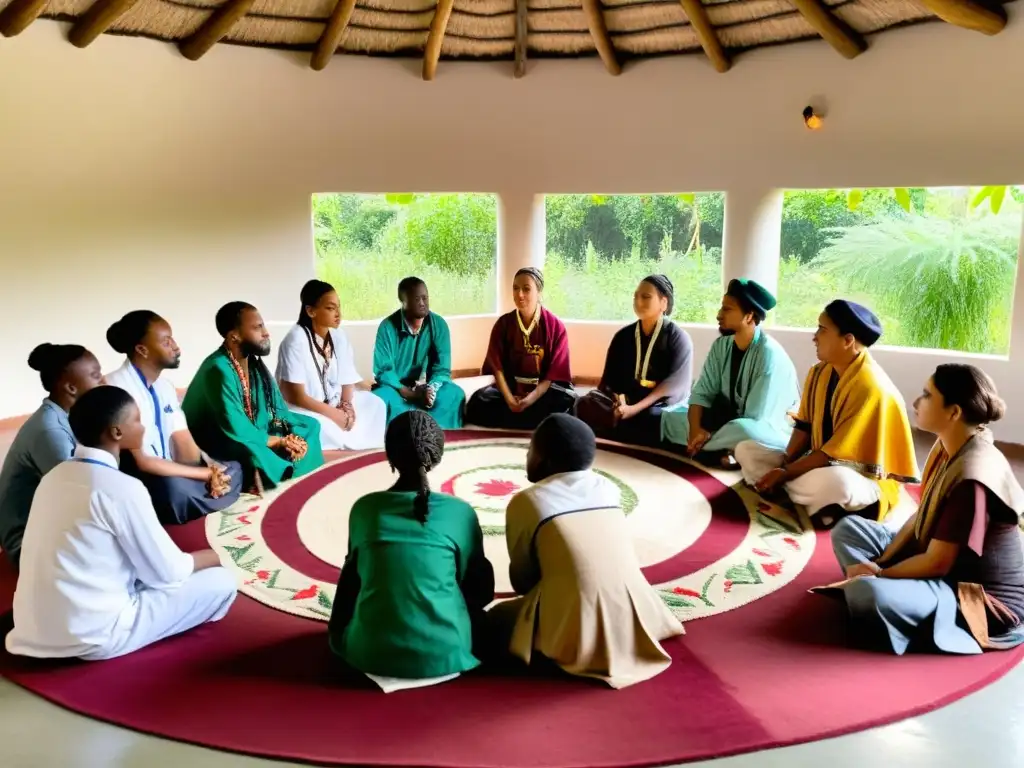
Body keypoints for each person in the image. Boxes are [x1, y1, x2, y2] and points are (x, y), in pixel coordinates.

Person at [5, 386, 237, 661]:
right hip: (97, 634)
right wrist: (213, 557)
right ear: (117, 432)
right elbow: (168, 573)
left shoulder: (53, 477)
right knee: (223, 582)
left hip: (32, 627)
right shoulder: (122, 487)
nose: (142, 427)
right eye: (137, 420)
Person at [828, 364, 1024, 655]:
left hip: (974, 597)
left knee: (864, 591)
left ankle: (888, 601)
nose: (916, 402)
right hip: (942, 563)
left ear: (953, 412)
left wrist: (879, 574)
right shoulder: (952, 447)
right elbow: (923, 521)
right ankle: (889, 595)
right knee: (848, 530)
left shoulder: (973, 475)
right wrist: (883, 568)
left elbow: (937, 563)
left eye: (926, 395)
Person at [489, 414, 684, 688]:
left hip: (575, 621)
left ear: (544, 457)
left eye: (531, 448)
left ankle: (561, 645)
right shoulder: (607, 487)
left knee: (496, 620)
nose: (527, 455)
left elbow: (522, 581)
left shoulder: (529, 501)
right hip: (632, 609)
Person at [328, 411, 494, 679]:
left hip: (367, 653)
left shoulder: (365, 509)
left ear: (389, 454)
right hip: (448, 653)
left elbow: (353, 582)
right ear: (437, 456)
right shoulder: (460, 512)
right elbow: (480, 590)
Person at [735, 300, 918, 527]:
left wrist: (784, 473)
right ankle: (810, 501)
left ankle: (791, 492)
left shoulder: (871, 387)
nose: (814, 337)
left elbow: (832, 455)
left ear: (848, 340)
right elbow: (804, 426)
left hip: (861, 479)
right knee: (746, 450)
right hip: (816, 463)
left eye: (822, 330)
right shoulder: (819, 372)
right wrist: (784, 463)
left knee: (836, 483)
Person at [104, 310, 243, 525]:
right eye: (166, 341)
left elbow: (182, 438)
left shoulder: (164, 387)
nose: (176, 347)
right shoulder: (115, 388)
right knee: (172, 490)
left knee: (233, 468)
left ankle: (204, 494)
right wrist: (203, 476)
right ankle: (198, 499)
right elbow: (142, 462)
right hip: (140, 477)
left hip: (169, 470)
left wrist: (211, 470)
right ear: (142, 350)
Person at [182, 301, 323, 494]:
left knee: (310, 426)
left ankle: (283, 464)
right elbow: (234, 426)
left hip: (254, 428)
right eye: (258, 327)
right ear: (235, 336)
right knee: (253, 453)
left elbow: (277, 409)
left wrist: (288, 435)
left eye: (263, 325)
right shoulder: (218, 369)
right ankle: (280, 467)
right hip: (221, 437)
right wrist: (278, 441)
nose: (266, 333)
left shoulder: (253, 363)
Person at [662, 279, 799, 464]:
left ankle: (707, 449)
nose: (719, 314)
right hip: (727, 423)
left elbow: (757, 419)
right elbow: (701, 394)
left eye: (727, 309)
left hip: (768, 429)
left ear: (749, 316)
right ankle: (718, 451)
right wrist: (695, 428)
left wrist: (708, 431)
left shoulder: (769, 355)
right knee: (672, 417)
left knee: (744, 431)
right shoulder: (722, 345)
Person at [0, 344, 103, 567]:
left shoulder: (68, 417)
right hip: (27, 546)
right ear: (71, 388)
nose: (103, 382)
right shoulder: (50, 431)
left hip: (53, 527)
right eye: (96, 376)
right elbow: (81, 497)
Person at [575, 275, 693, 446]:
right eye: (636, 297)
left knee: (654, 418)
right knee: (583, 404)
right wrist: (620, 404)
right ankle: (622, 427)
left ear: (664, 303)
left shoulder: (678, 338)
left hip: (658, 404)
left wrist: (633, 410)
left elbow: (673, 386)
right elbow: (610, 379)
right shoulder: (623, 336)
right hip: (625, 401)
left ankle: (618, 430)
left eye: (646, 297)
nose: (638, 301)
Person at [276, 280, 386, 451]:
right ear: (310, 311)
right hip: (306, 407)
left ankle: (346, 432)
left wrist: (347, 407)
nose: (338, 314)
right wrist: (334, 414)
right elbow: (295, 396)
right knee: (322, 426)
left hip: (335, 402)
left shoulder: (339, 336)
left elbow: (347, 376)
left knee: (375, 404)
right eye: (330, 308)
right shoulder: (295, 341)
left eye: (338, 308)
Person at [466, 268, 576, 430]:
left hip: (543, 391)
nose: (520, 294)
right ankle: (530, 419)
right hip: (512, 388)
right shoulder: (503, 324)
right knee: (478, 401)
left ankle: (518, 417)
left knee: (565, 402)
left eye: (526, 289)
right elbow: (497, 369)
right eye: (515, 288)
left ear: (539, 292)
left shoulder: (555, 326)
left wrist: (528, 400)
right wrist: (511, 400)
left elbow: (552, 376)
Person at [371, 277, 465, 429]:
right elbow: (383, 371)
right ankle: (409, 432)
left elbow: (442, 368)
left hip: (425, 386)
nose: (422, 303)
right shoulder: (387, 327)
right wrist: (408, 393)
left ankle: (437, 433)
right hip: (397, 389)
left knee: (454, 394)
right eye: (416, 299)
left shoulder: (438, 324)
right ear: (403, 301)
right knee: (381, 399)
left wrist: (431, 391)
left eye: (425, 298)